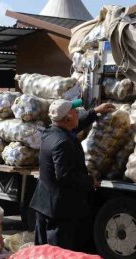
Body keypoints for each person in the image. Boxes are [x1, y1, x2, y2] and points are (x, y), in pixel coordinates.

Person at [30, 99, 115, 250]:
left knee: (41, 253)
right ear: (68, 118)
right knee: (57, 255)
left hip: (44, 204)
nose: (78, 113)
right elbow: (65, 176)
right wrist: (90, 182)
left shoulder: (51, 132)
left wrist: (94, 112)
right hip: (59, 210)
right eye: (75, 111)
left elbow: (75, 126)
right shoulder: (63, 143)